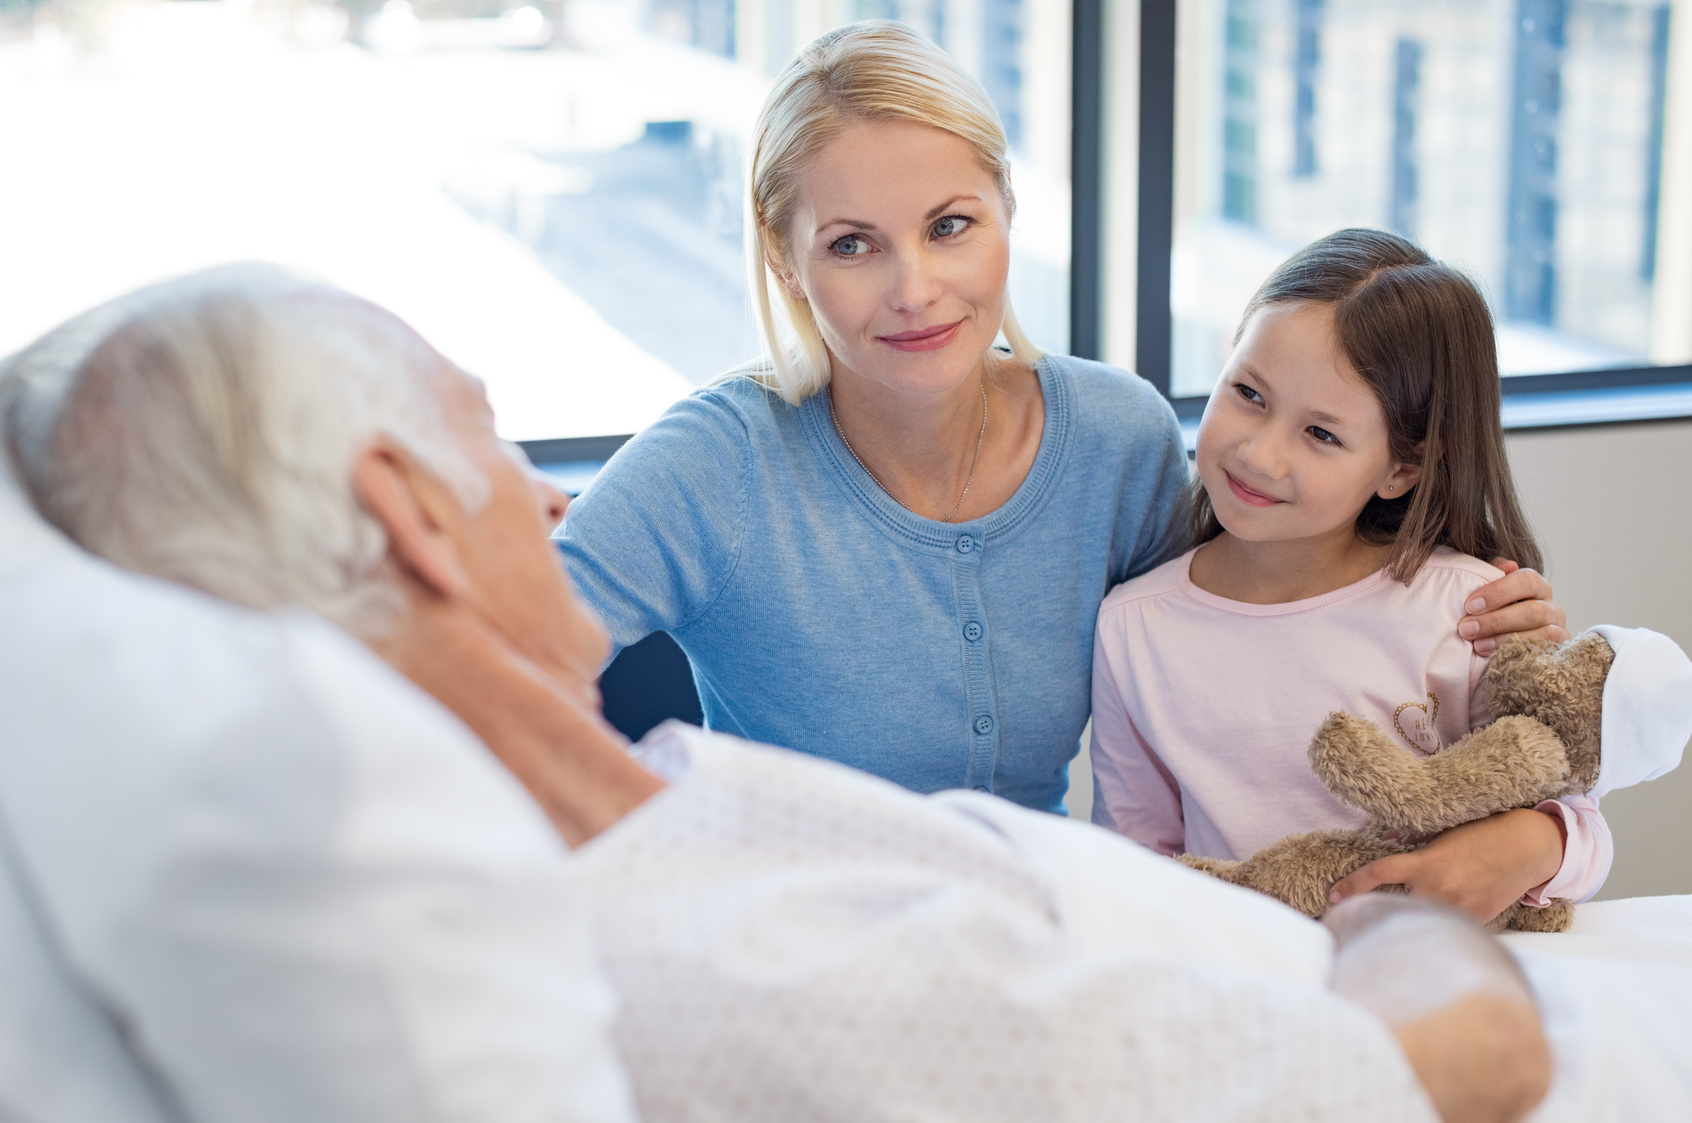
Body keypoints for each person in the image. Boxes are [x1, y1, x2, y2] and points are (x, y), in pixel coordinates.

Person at [0, 266, 1583, 1123]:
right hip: (1458, 997)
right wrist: (1400, 914)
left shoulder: (672, 811)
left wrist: (1537, 821)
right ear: (409, 516)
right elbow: (1464, 1070)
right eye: (493, 439)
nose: (557, 506)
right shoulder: (745, 963)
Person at [556, 21, 1566, 812]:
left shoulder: (1116, 441)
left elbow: (1259, 618)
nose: (915, 289)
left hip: (1043, 939)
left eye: (950, 227)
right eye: (853, 246)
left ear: (1005, 209)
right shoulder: (715, 465)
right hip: (792, 955)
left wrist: (1470, 619)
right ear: (786, 259)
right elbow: (467, 655)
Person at [1090, 230, 1683, 923]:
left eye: (1322, 434)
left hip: (1428, 968)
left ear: (1403, 467)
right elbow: (1128, 865)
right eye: (1248, 392)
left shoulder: (1467, 610)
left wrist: (1535, 842)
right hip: (1239, 974)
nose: (1259, 451)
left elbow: (1581, 827)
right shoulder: (1133, 626)